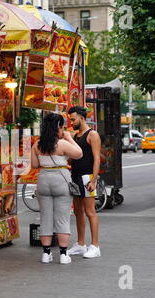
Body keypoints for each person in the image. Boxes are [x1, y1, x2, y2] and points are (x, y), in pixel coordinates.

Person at [31, 112, 83, 264]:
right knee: (62, 218)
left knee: (45, 218)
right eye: (62, 127)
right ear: (58, 127)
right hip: (60, 179)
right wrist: (69, 138)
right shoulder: (62, 144)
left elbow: (34, 165)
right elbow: (79, 154)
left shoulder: (37, 144)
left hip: (43, 180)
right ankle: (63, 254)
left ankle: (46, 254)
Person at [67, 106, 102, 258]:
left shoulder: (92, 135)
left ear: (81, 118)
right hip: (75, 177)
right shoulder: (75, 136)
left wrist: (94, 180)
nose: (71, 122)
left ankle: (95, 246)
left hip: (87, 177)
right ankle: (81, 244)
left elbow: (97, 158)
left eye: (73, 119)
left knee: (90, 212)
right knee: (77, 211)